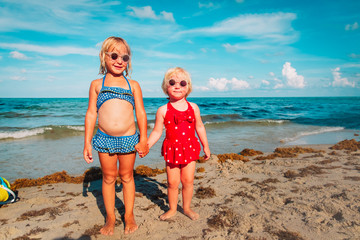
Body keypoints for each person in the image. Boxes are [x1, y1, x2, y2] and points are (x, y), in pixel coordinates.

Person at [83, 36, 148, 235]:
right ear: (104, 57)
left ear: (129, 61)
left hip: (129, 139)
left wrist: (144, 138)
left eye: (125, 57)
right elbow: (91, 113)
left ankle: (129, 215)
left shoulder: (133, 85)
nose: (119, 60)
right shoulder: (96, 84)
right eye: (114, 55)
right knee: (109, 178)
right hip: (104, 139)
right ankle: (110, 217)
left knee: (127, 177)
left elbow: (141, 113)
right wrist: (87, 142)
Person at [147, 67, 210, 221]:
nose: (177, 86)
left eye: (182, 83)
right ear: (165, 87)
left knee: (188, 181)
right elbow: (156, 131)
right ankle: (173, 209)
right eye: (172, 82)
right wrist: (146, 145)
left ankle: (187, 208)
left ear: (188, 88)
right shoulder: (162, 110)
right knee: (172, 182)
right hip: (172, 150)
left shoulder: (193, 107)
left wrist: (205, 146)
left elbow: (199, 126)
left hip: (190, 148)